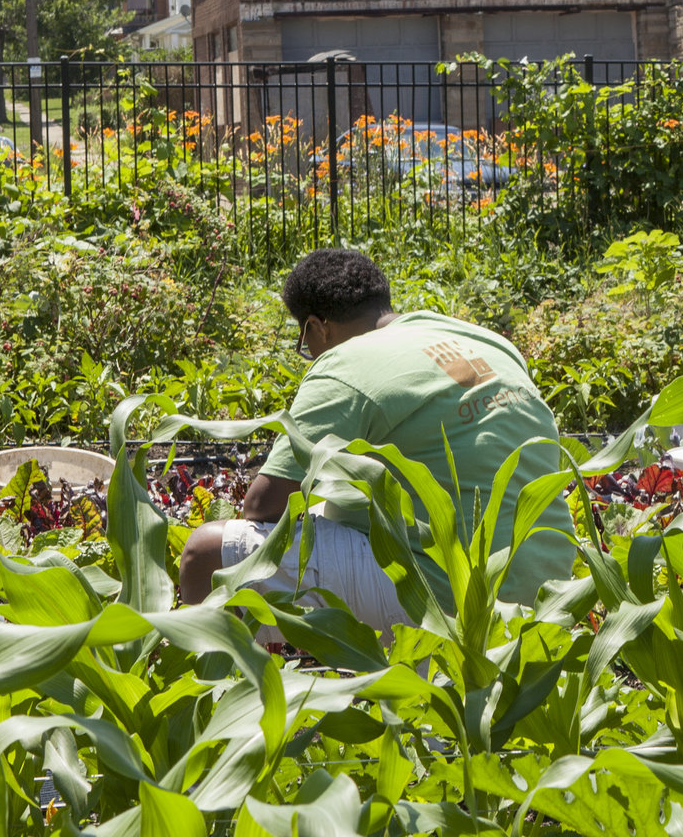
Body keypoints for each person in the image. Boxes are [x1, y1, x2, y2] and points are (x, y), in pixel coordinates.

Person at [177, 248, 572, 630]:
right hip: (547, 587)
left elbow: (263, 505)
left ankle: (229, 689)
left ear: (317, 327)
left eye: (305, 343)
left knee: (207, 554)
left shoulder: (346, 362)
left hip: (449, 601)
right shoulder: (485, 341)